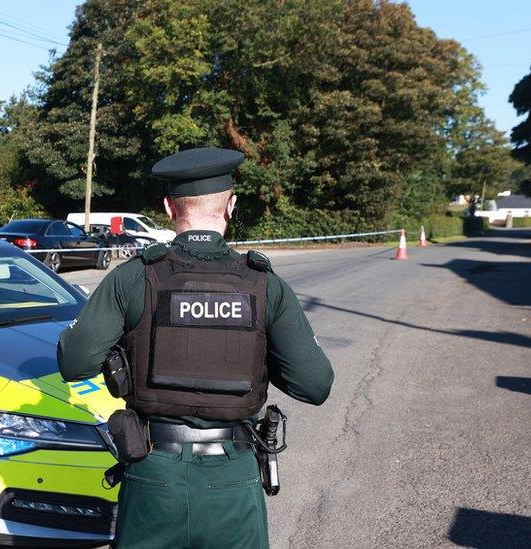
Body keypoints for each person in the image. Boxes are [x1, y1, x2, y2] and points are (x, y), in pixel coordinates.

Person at [57, 147, 334, 548]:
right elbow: (315, 384)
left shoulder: (133, 278)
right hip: (233, 480)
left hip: (153, 475)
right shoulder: (264, 285)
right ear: (231, 206)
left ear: (169, 207)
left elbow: (74, 361)